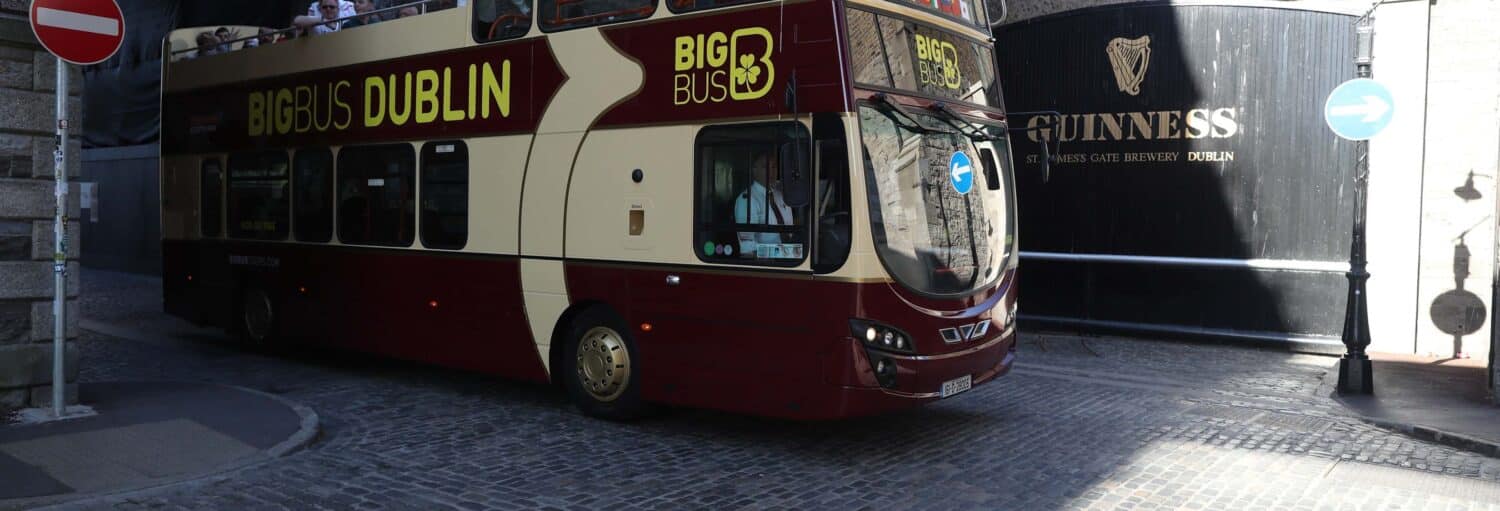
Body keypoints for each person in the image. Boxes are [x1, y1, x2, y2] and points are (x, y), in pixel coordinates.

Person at [733, 151, 795, 258]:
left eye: (774, 166)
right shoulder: (747, 200)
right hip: (770, 263)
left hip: (791, 256)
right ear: (754, 170)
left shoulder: (780, 196)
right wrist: (782, 254)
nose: (771, 171)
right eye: (765, 166)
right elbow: (748, 250)